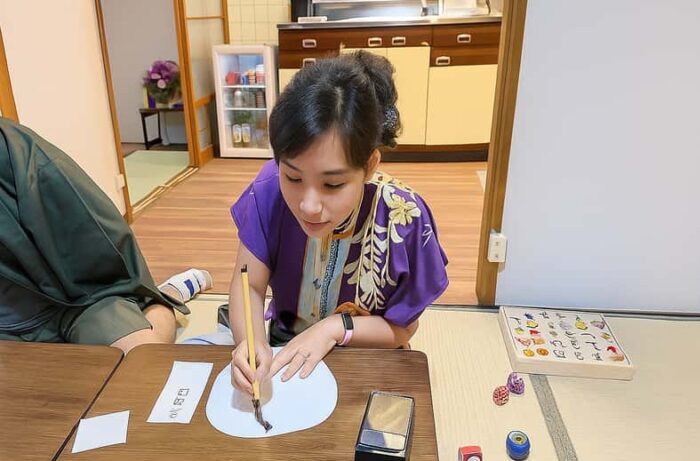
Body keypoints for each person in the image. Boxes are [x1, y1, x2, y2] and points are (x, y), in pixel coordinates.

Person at [228, 51, 449, 394]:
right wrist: (250, 342)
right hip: (284, 354)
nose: (308, 205)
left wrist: (333, 328)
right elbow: (249, 287)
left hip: (368, 356)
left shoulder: (404, 217)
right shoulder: (268, 193)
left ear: (370, 165)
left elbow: (402, 328)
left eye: (332, 184)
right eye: (292, 177)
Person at [0, 118, 212, 353]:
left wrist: (130, 290)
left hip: (78, 298)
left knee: (143, 357)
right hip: (8, 323)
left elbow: (93, 229)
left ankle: (166, 296)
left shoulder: (13, 148)